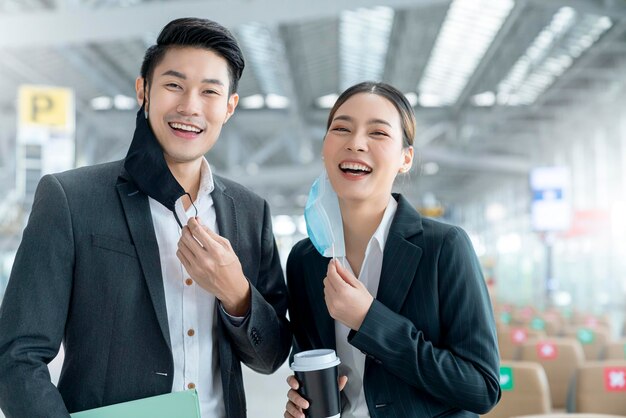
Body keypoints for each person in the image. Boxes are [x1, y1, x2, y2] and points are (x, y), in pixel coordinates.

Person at [0, 17, 291, 418]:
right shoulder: (71, 199)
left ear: (229, 107)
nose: (190, 106)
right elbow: (18, 357)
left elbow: (271, 356)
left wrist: (237, 294)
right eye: (174, 85)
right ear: (144, 91)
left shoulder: (249, 212)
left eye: (209, 92)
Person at [284, 81, 501, 417]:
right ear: (325, 147)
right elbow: (313, 367)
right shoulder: (305, 258)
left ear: (405, 158)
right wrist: (304, 404)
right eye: (341, 128)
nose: (355, 143)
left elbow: (481, 387)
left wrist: (369, 320)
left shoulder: (444, 247)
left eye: (378, 133)